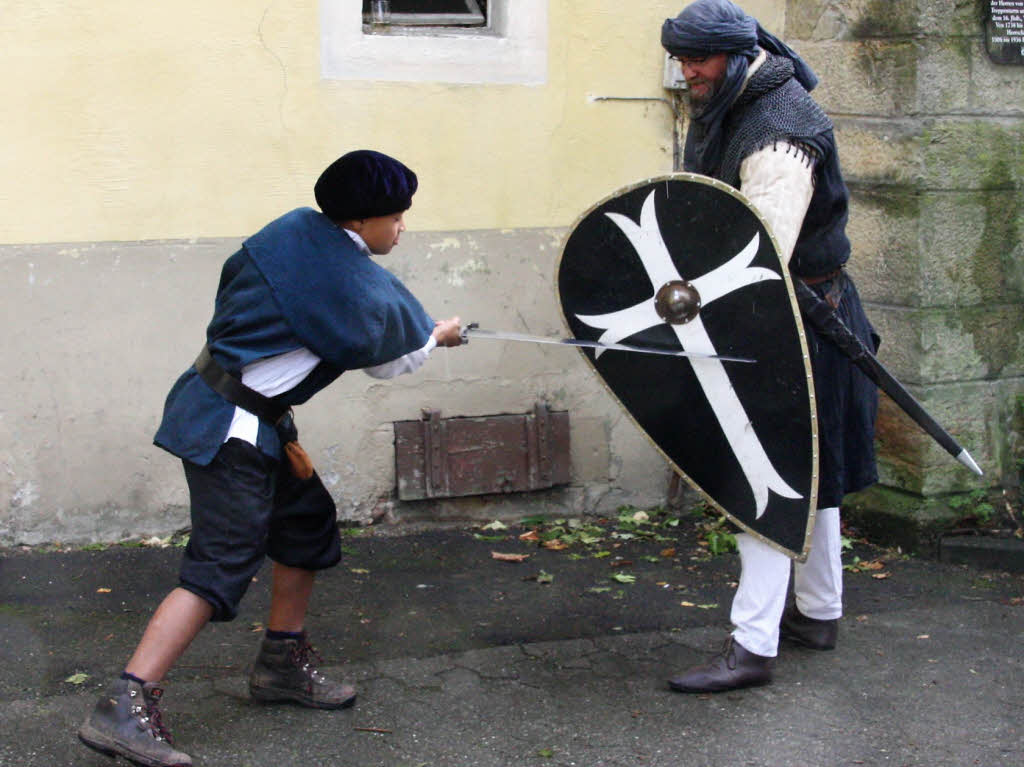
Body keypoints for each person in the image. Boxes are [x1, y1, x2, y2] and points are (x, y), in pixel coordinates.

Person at [78, 149, 465, 766]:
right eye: (396, 217)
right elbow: (387, 355)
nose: (401, 228)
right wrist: (435, 337)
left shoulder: (294, 234)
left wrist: (418, 330)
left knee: (304, 522)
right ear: (363, 222)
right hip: (227, 426)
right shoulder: (341, 278)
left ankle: (282, 663)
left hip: (252, 419)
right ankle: (124, 705)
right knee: (221, 562)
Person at [660, 0, 879, 693]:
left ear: (733, 55)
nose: (687, 70)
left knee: (767, 475)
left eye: (698, 58)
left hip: (793, 313)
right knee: (814, 472)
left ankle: (753, 644)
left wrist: (703, 321)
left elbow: (758, 256)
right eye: (682, 57)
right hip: (805, 307)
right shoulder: (734, 101)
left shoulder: (780, 134)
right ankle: (818, 612)